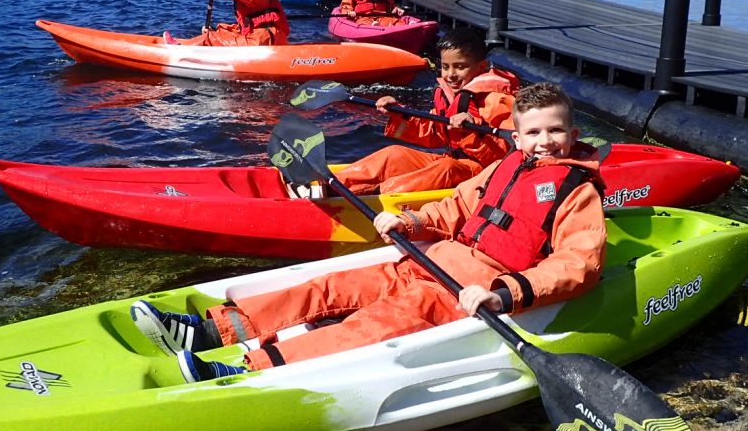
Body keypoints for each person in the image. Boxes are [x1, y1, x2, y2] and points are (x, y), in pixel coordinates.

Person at [131, 82, 607, 382]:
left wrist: (502, 294)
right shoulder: (505, 166)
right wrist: (411, 222)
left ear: (572, 134)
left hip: (466, 290)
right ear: (517, 137)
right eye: (535, 133)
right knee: (328, 286)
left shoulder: (577, 191)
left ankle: (242, 369)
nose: (545, 142)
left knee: (369, 326)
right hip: (427, 261)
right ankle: (210, 331)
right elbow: (458, 206)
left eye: (555, 131)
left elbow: (578, 264)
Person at [334, 27, 518, 195]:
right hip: (451, 159)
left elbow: (512, 150)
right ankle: (333, 185)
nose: (450, 75)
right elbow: (434, 132)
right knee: (394, 153)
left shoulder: (498, 99)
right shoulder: (451, 94)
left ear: (482, 67)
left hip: (483, 172)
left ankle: (370, 194)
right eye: (445, 67)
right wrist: (398, 113)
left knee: (446, 168)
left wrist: (473, 130)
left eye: (460, 67)